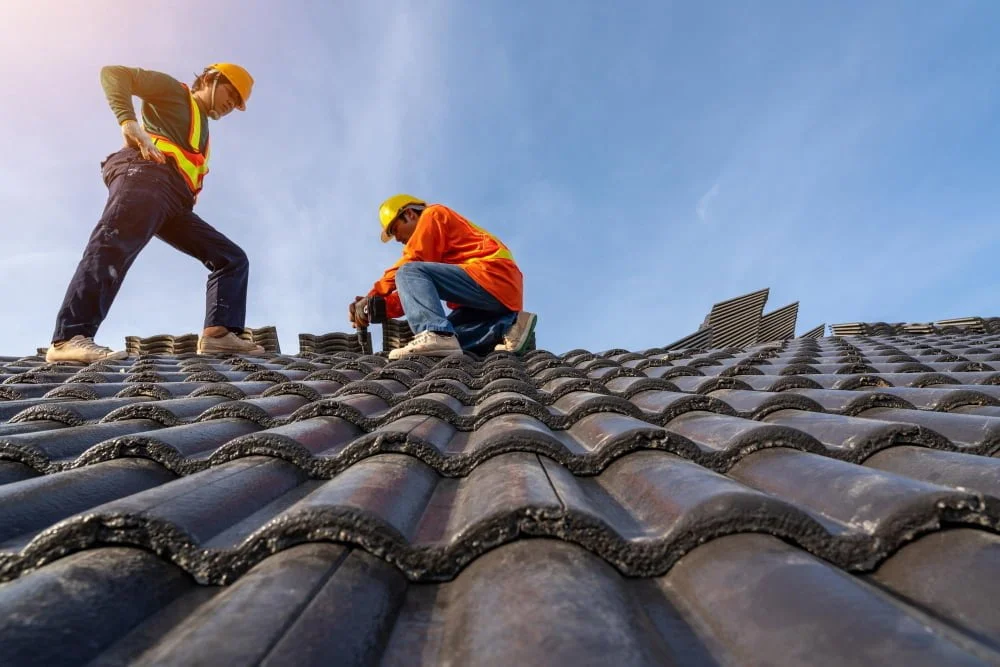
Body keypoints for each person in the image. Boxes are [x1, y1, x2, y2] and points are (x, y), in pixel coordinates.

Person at [45, 63, 264, 363]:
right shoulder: (175, 92)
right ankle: (69, 337)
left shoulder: (203, 130)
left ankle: (218, 335)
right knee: (114, 245)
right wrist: (128, 122)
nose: (232, 105)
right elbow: (114, 74)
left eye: (238, 103)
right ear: (212, 80)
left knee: (232, 259)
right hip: (146, 173)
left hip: (173, 202)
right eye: (232, 93)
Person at [350, 194, 537, 360]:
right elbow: (413, 292)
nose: (397, 239)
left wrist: (372, 295)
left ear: (409, 214)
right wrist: (377, 308)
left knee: (408, 272)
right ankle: (508, 328)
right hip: (495, 292)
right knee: (453, 338)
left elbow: (411, 265)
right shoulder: (434, 248)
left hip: (492, 276)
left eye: (394, 230)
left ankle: (434, 333)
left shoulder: (434, 215)